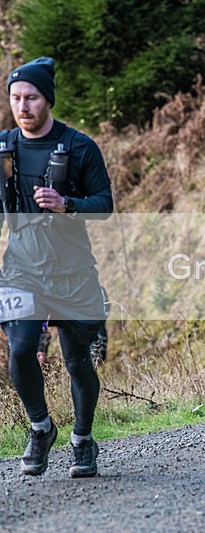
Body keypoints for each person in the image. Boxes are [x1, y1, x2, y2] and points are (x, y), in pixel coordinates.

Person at [1, 57, 113, 477]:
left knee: (77, 362)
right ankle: (40, 427)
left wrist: (69, 205)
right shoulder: (3, 149)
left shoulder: (80, 147)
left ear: (47, 99)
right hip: (20, 270)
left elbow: (105, 205)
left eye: (31, 97)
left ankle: (82, 439)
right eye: (15, 98)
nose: (22, 106)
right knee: (21, 349)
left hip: (72, 271)